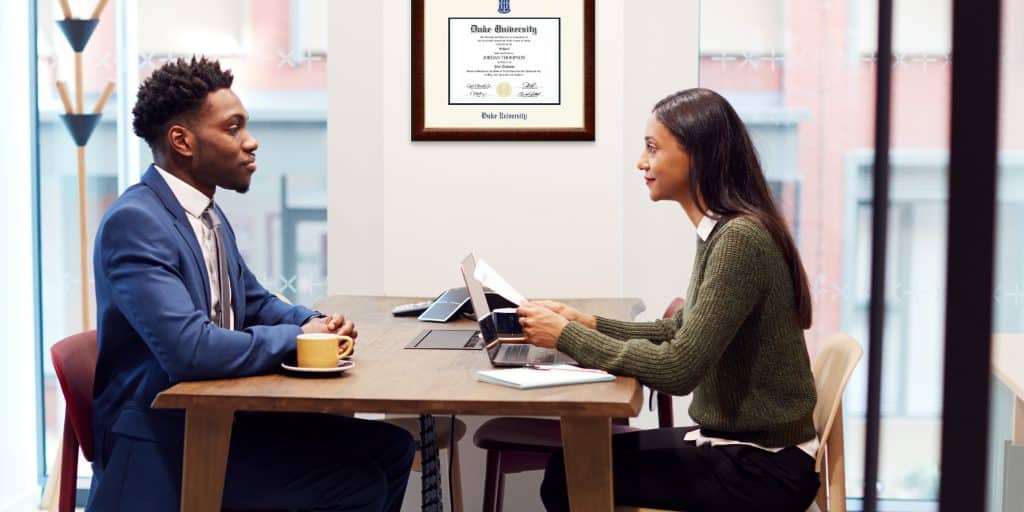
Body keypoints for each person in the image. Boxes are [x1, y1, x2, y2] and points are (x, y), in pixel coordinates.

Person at [89, 57, 415, 512]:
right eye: (233, 128)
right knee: (356, 486)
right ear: (182, 141)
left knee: (392, 449)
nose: (251, 141)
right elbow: (189, 350)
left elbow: (255, 301)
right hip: (160, 443)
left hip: (219, 419)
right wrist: (299, 339)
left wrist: (316, 321)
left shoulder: (207, 215)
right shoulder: (137, 223)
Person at [516, 88, 821, 512]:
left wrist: (568, 336)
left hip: (762, 469)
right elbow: (681, 330)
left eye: (652, 148)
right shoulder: (722, 230)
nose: (642, 162)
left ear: (698, 155)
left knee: (570, 476)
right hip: (740, 448)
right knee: (568, 467)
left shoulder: (739, 241)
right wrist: (587, 323)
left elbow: (679, 369)